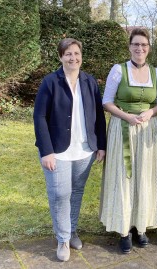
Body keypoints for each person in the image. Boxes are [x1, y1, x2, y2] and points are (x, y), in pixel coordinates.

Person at [33, 38, 106, 262]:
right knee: (59, 194)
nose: (73, 58)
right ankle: (63, 238)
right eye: (68, 54)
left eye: (76, 53)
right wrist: (46, 151)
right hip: (58, 150)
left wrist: (101, 145)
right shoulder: (50, 82)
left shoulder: (89, 81)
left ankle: (71, 230)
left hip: (84, 149)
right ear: (60, 57)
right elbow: (39, 116)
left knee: (76, 193)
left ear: (81, 56)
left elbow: (99, 116)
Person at [99, 28, 157, 254]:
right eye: (136, 44)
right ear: (129, 47)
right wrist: (127, 116)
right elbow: (107, 101)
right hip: (123, 128)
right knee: (124, 176)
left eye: (144, 45)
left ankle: (141, 226)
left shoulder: (156, 73)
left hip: (148, 130)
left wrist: (150, 113)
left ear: (149, 48)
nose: (140, 48)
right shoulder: (118, 70)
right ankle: (123, 230)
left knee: (144, 176)